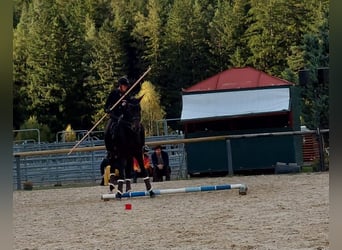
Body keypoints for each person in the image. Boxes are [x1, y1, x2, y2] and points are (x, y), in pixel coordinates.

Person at [104, 76, 130, 152]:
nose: (126, 87)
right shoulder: (113, 93)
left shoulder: (127, 94)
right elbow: (106, 106)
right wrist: (107, 110)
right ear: (120, 86)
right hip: (115, 117)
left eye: (126, 86)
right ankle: (109, 150)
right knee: (106, 132)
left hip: (125, 117)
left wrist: (127, 104)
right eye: (124, 86)